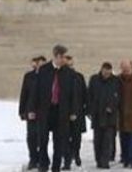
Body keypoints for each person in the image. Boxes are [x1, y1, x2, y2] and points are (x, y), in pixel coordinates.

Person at [30, 44, 79, 172]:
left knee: (59, 140)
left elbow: (73, 94)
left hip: (61, 111)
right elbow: (36, 91)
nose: (64, 60)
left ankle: (56, 166)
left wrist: (73, 111)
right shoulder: (43, 70)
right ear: (56, 56)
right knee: (43, 139)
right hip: (45, 110)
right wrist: (32, 109)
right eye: (62, 57)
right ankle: (44, 163)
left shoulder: (69, 73)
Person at [88, 62, 121, 170]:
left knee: (107, 140)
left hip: (110, 116)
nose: (106, 74)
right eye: (105, 71)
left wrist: (112, 106)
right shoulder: (94, 79)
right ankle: (98, 160)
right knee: (97, 140)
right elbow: (90, 96)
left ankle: (105, 161)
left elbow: (119, 96)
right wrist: (90, 111)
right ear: (101, 70)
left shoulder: (116, 81)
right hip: (97, 115)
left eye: (108, 72)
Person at [19, 56, 45, 170]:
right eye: (41, 64)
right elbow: (24, 94)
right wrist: (22, 111)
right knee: (31, 137)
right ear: (36, 64)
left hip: (44, 113)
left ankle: (41, 158)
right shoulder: (29, 77)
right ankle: (33, 159)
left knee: (42, 137)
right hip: (31, 112)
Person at [63, 55, 87, 170]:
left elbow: (84, 94)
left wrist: (86, 109)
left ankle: (76, 153)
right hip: (63, 113)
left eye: (71, 64)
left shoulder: (79, 77)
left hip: (78, 112)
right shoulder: (59, 77)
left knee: (77, 137)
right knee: (64, 137)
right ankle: (67, 161)